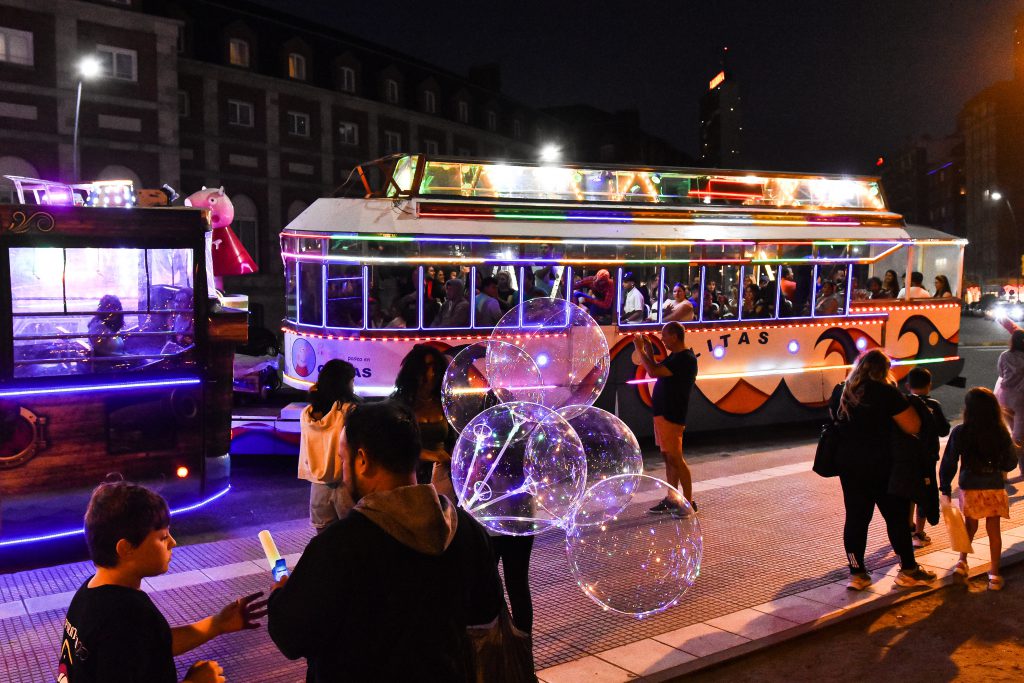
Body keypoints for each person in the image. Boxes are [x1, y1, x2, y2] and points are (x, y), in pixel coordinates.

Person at [267, 401, 504, 682]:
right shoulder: (465, 532)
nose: (344, 473)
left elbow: (292, 637)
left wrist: (280, 597)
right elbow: (486, 610)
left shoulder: (340, 547)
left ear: (362, 460)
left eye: (344, 459)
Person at [58, 482, 265, 683]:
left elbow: (148, 646)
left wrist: (217, 624)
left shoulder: (89, 593)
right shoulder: (126, 613)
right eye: (163, 537)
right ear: (126, 548)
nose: (173, 542)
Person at [829, 350, 936, 590]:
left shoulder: (841, 391)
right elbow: (912, 426)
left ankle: (857, 574)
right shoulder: (887, 393)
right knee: (896, 517)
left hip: (850, 465)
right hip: (883, 466)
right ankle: (908, 570)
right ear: (884, 370)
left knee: (856, 518)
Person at [939, 388, 1020, 590]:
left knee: (970, 525)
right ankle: (994, 575)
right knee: (993, 530)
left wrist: (945, 487)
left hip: (970, 485)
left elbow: (949, 461)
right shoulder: (1001, 433)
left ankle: (962, 562)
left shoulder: (961, 432)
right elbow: (1010, 463)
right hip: (993, 484)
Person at [632, 322, 698, 513]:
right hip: (662, 412)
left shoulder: (685, 359)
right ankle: (672, 497)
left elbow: (653, 371)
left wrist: (640, 350)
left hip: (672, 413)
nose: (662, 339)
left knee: (676, 458)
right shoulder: (676, 357)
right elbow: (657, 367)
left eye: (665, 336)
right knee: (667, 456)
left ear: (675, 336)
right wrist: (650, 351)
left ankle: (688, 502)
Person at [299, 360, 360, 533]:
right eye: (352, 381)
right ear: (345, 384)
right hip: (345, 484)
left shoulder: (307, 414)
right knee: (351, 537)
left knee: (323, 539)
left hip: (318, 487)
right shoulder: (349, 411)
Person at [392, 344, 455, 499]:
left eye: (435, 367)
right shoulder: (400, 403)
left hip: (442, 475)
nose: (432, 373)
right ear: (414, 371)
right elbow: (397, 446)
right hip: (409, 476)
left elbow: (452, 440)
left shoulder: (444, 402)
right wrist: (435, 455)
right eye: (427, 367)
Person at [905, 367, 950, 548]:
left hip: (907, 458)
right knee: (924, 495)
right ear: (929, 385)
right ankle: (919, 533)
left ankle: (907, 527)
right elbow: (944, 430)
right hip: (927, 458)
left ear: (907, 385)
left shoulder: (904, 404)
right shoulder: (933, 404)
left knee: (908, 492)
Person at [994, 329, 1024, 475]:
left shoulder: (1004, 355)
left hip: (1004, 396)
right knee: (1019, 437)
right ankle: (1019, 468)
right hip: (1021, 399)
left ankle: (1003, 470)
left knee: (1011, 432)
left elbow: (1000, 373)